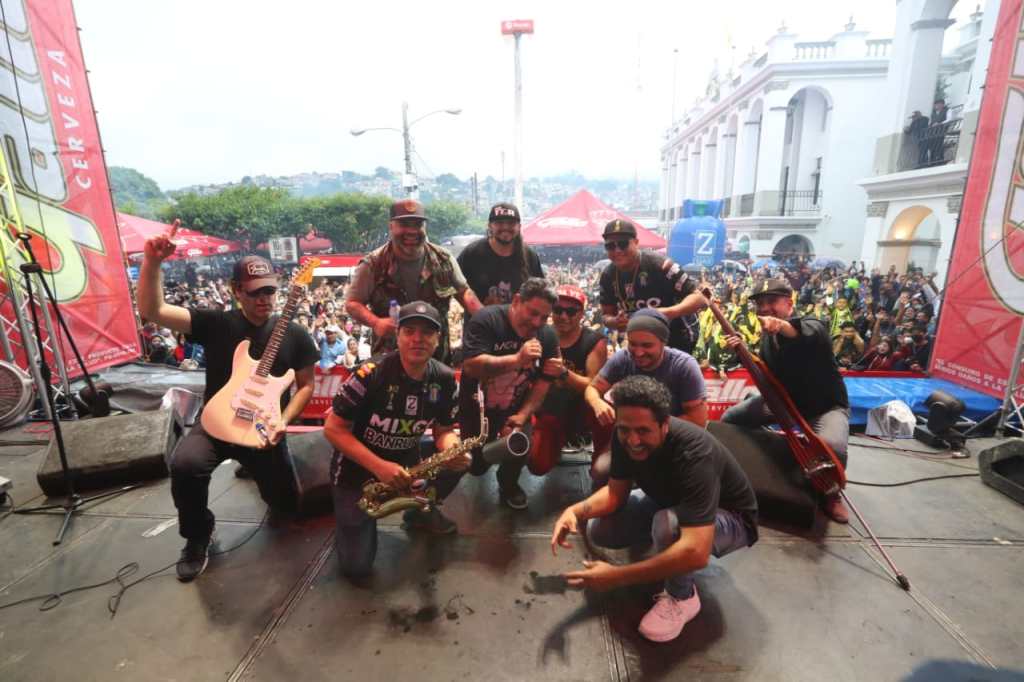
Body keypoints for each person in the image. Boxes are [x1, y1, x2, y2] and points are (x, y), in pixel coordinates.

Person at [137, 234, 319, 582]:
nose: (265, 299)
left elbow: (307, 385)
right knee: (186, 465)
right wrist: (152, 263)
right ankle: (197, 535)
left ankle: (254, 467)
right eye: (255, 292)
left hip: (265, 427)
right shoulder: (217, 324)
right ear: (236, 290)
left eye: (270, 290)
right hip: (217, 421)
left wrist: (283, 419)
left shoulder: (295, 334)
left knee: (287, 505)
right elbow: (152, 311)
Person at [552, 376, 758, 643]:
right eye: (625, 429)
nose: (633, 440)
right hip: (671, 501)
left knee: (668, 526)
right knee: (601, 529)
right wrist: (574, 511)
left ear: (664, 424)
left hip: (730, 516)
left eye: (643, 431)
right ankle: (667, 551)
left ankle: (682, 597)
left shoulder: (694, 452)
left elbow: (696, 554)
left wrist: (617, 577)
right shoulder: (624, 434)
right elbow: (615, 494)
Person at [324, 302, 468, 579]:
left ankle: (417, 511)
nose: (418, 339)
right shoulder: (369, 373)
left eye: (427, 333)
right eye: (410, 330)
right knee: (357, 567)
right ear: (398, 335)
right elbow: (333, 429)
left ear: (438, 339)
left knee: (460, 463)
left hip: (406, 466)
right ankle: (351, 522)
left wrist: (452, 449)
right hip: (356, 472)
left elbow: (443, 431)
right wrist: (379, 466)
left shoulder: (446, 379)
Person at [722, 278, 850, 523]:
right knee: (731, 419)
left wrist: (781, 326)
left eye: (772, 301)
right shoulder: (767, 339)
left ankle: (831, 494)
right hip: (785, 403)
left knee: (831, 445)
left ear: (789, 304)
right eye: (760, 304)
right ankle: (746, 470)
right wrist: (742, 352)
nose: (765, 308)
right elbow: (767, 376)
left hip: (824, 407)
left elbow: (805, 334)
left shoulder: (813, 325)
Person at [460, 278, 562, 509]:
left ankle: (508, 484)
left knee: (519, 446)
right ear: (517, 301)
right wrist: (517, 359)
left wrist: (524, 414)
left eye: (544, 317)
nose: (537, 322)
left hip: (515, 408)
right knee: (475, 466)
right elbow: (471, 367)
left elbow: (544, 381)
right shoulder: (487, 320)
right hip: (477, 409)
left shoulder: (546, 336)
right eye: (532, 313)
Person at [344, 199, 482, 362]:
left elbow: (464, 293)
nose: (411, 231)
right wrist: (376, 323)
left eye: (417, 225)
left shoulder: (443, 259)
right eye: (404, 224)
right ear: (391, 226)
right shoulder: (374, 264)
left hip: (435, 358)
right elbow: (352, 303)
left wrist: (488, 317)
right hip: (389, 358)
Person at [528, 285, 611, 481]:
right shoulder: (539, 334)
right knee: (538, 466)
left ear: (581, 313)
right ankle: (555, 441)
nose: (563, 316)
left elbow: (595, 385)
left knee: (606, 409)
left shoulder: (594, 341)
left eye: (571, 311)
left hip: (582, 411)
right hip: (550, 411)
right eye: (558, 310)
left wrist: (564, 373)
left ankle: (602, 462)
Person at [598, 219, 706, 354]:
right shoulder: (607, 276)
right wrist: (615, 321)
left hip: (678, 338)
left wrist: (667, 313)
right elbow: (606, 315)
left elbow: (700, 298)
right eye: (610, 246)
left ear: (636, 243)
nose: (617, 250)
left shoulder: (660, 265)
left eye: (623, 244)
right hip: (640, 344)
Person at [457, 202, 544, 306]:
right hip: (479, 321)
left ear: (519, 227)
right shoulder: (472, 253)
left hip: (518, 321)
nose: (505, 227)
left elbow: (540, 292)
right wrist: (477, 310)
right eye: (500, 223)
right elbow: (455, 287)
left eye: (511, 223)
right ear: (490, 226)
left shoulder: (530, 256)